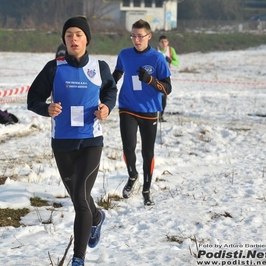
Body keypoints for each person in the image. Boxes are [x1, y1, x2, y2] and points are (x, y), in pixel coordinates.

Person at [27, 16, 117, 266]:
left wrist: (106, 108)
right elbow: (33, 98)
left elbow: (110, 91)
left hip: (90, 141)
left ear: (87, 38)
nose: (73, 38)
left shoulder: (99, 68)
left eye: (78, 34)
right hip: (63, 144)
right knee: (82, 198)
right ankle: (97, 218)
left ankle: (78, 259)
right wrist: (46, 109)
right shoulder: (53, 68)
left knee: (79, 196)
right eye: (69, 35)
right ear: (64, 40)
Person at [112, 19, 172, 205]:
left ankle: (146, 188)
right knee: (128, 147)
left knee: (148, 152)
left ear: (148, 36)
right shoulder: (124, 54)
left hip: (149, 109)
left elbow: (167, 88)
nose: (136, 40)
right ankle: (132, 176)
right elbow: (118, 73)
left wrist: (151, 81)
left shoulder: (157, 58)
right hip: (127, 107)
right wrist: (105, 86)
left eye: (140, 36)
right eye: (133, 36)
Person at [156, 35, 178, 122]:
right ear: (159, 43)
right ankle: (154, 114)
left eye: (165, 42)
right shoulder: (156, 50)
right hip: (156, 76)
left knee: (164, 96)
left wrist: (171, 61)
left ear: (168, 42)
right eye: (162, 42)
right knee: (156, 95)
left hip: (166, 77)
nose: (163, 44)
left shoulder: (171, 50)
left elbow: (177, 63)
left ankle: (161, 115)